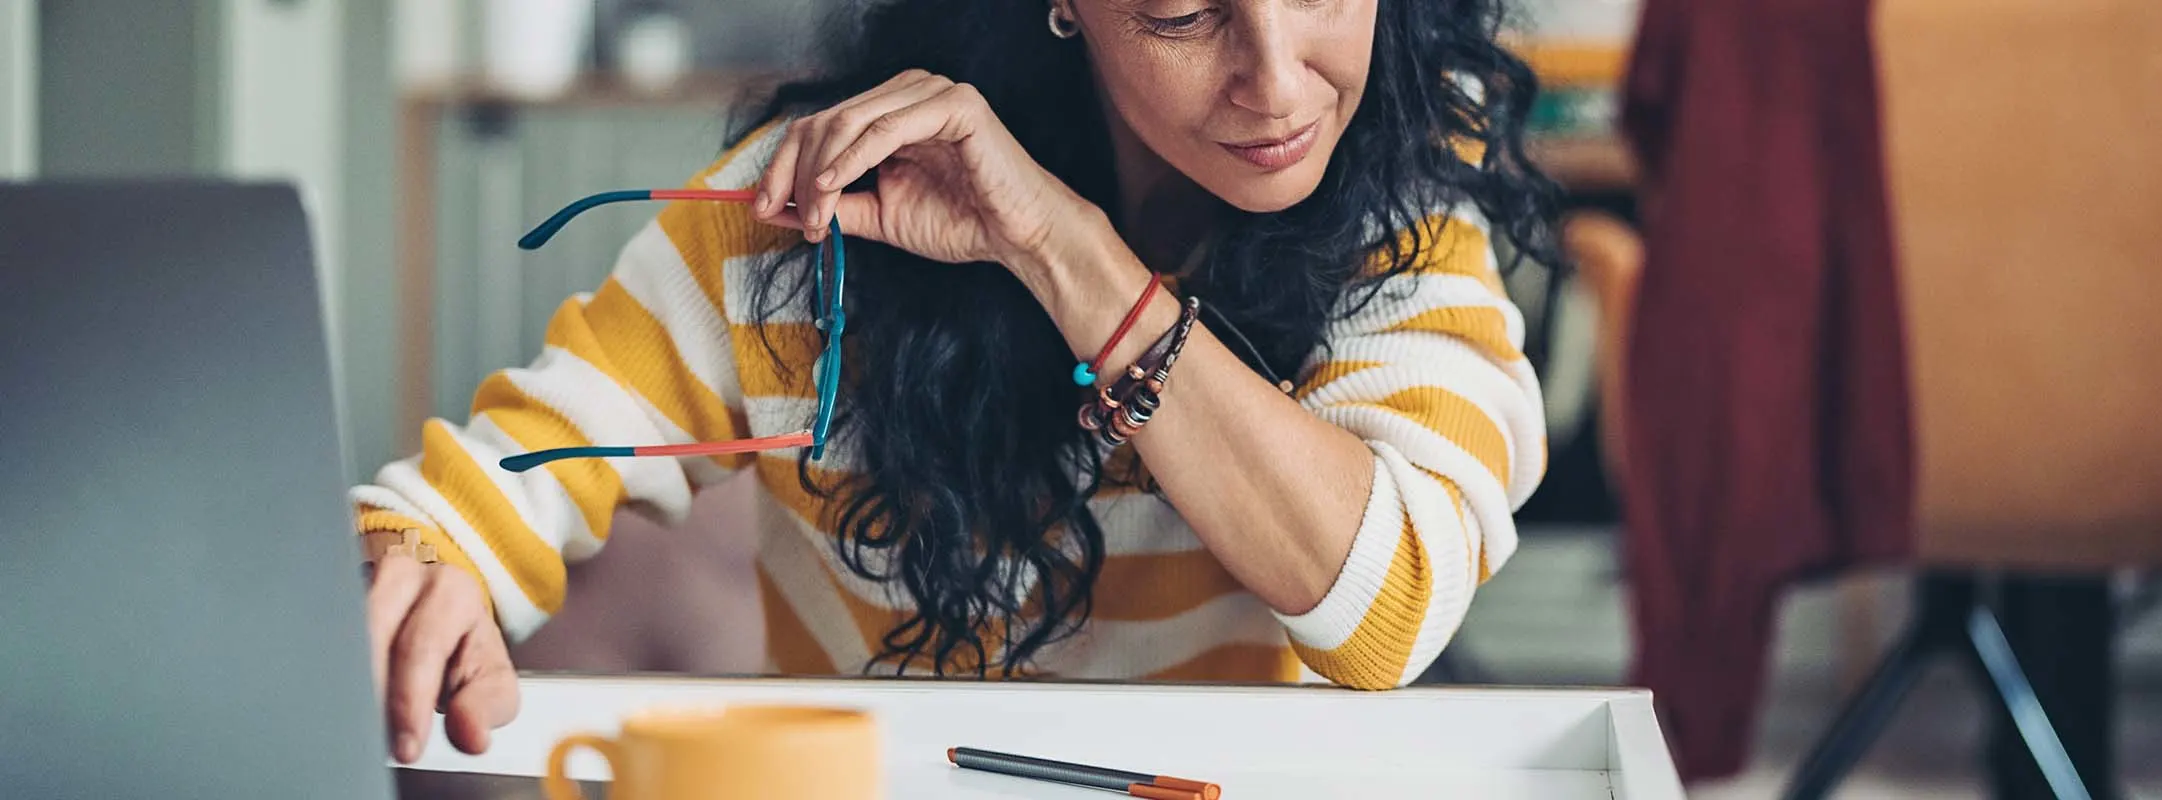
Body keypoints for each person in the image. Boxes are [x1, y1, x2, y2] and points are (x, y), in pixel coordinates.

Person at [357, 0, 1561, 764]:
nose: (1279, 79)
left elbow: (1390, 604)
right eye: (1185, 14)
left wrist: (1068, 252)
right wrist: (419, 568)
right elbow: (503, 475)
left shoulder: (1404, 224)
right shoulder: (813, 206)